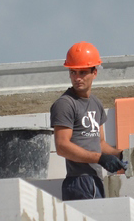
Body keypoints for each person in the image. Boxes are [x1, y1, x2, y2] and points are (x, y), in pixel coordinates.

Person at [50, 42, 126, 201]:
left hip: (95, 179)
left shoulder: (96, 104)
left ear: (94, 72)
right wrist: (100, 159)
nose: (77, 78)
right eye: (73, 72)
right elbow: (62, 146)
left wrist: (121, 155)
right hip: (78, 181)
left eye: (83, 72)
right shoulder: (65, 104)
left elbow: (100, 143)